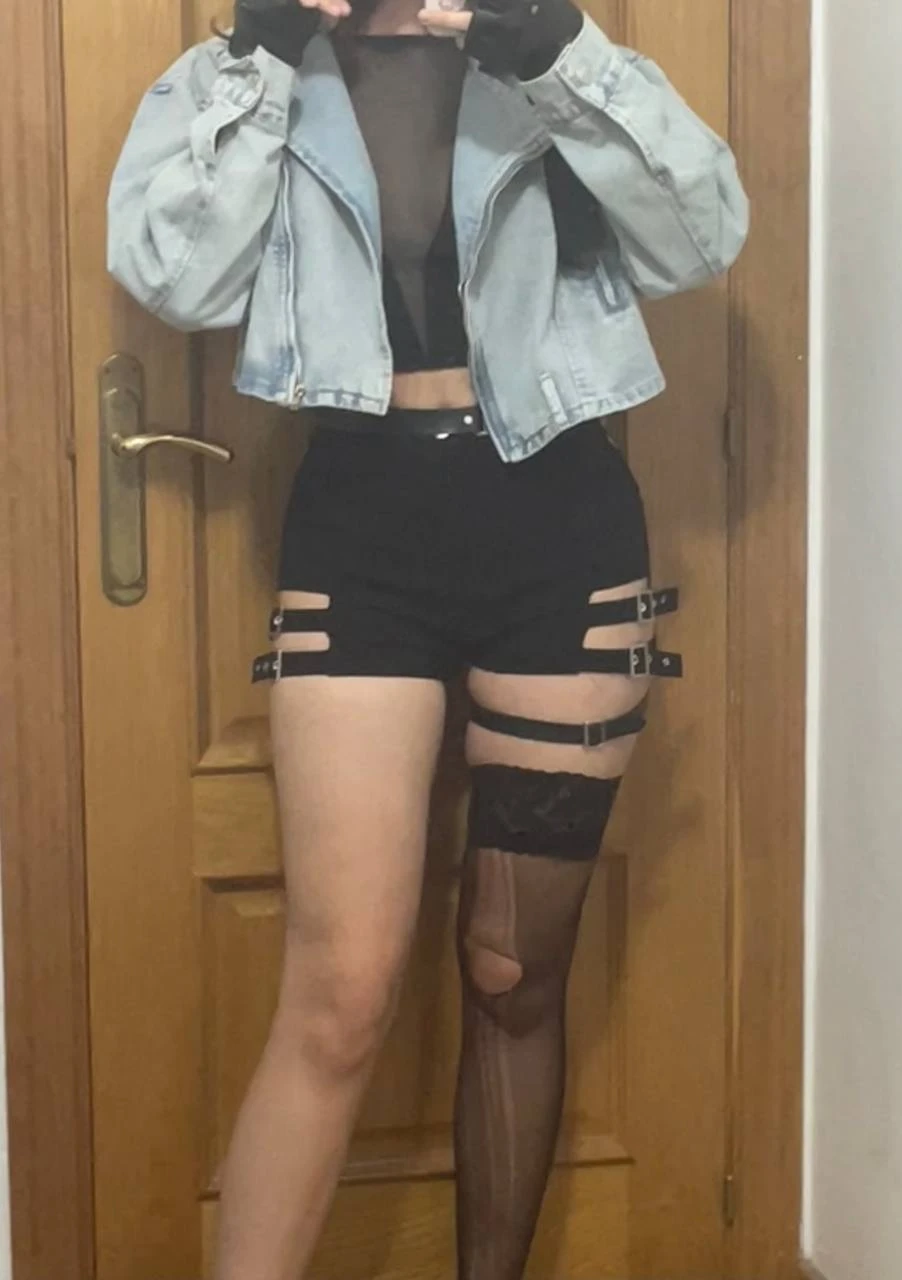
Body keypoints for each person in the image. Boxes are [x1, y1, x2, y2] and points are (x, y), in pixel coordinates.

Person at [108, 1, 748, 1276]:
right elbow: (177, 279)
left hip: (557, 522)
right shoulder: (249, 68)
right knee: (339, 992)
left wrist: (558, 53)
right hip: (361, 525)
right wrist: (262, 52)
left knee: (513, 970)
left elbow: (700, 236)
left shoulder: (543, 51)